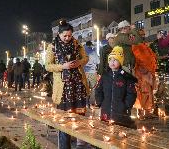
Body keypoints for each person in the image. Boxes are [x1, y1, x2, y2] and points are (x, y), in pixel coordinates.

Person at [45, 20, 89, 149]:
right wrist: (62, 66)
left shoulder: (77, 44)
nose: (67, 38)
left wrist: (79, 62)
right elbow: (48, 66)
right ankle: (64, 146)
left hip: (78, 87)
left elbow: (86, 58)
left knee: (79, 118)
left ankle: (81, 143)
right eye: (65, 35)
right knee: (64, 121)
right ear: (59, 34)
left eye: (69, 35)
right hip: (63, 90)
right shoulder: (52, 46)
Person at [95, 46, 137, 128]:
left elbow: (131, 93)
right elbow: (98, 90)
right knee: (106, 132)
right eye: (110, 60)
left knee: (120, 133)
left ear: (120, 62)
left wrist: (126, 106)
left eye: (115, 60)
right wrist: (100, 103)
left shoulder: (126, 77)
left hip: (121, 113)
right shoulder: (105, 76)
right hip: (105, 111)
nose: (112, 62)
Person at [150, 31, 169, 117]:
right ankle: (155, 108)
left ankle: (168, 108)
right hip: (158, 69)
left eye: (164, 35)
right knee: (159, 88)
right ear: (157, 35)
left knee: (168, 88)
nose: (162, 36)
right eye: (160, 34)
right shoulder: (153, 45)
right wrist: (161, 57)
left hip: (168, 68)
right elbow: (151, 56)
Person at [132, 41, 157, 119]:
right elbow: (137, 60)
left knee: (148, 93)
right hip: (142, 73)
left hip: (148, 73)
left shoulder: (145, 46)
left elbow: (151, 59)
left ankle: (147, 112)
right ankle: (141, 112)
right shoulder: (136, 46)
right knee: (142, 92)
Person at [84, 41, 99, 107]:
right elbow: (98, 61)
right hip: (92, 72)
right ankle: (91, 103)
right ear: (90, 45)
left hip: (84, 72)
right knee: (93, 88)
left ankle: (85, 103)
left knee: (85, 88)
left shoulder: (82, 51)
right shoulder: (93, 51)